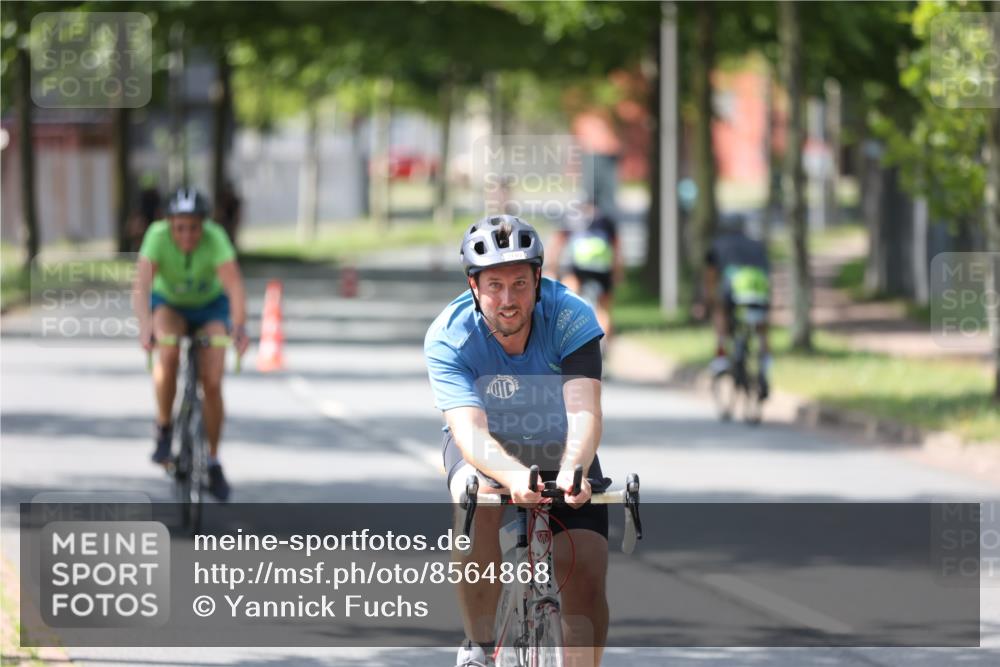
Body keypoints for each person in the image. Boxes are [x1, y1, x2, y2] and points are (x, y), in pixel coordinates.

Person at [425, 215, 610, 667]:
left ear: (539, 280)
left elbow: (584, 409)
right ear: (473, 286)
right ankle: (480, 646)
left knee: (586, 569)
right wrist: (509, 476)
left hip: (561, 442)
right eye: (494, 286)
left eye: (520, 284)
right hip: (486, 445)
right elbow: (469, 431)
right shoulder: (449, 336)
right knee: (479, 498)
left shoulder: (571, 317)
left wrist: (574, 468)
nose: (508, 300)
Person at [132, 187, 250, 501]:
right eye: (180, 227)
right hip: (169, 304)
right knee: (167, 353)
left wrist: (238, 327)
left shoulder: (215, 238)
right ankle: (164, 428)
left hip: (210, 307)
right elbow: (141, 286)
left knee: (212, 382)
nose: (187, 235)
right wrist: (146, 327)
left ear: (204, 225)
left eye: (194, 227)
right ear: (169, 224)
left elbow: (235, 286)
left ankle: (212, 460)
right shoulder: (157, 236)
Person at [703, 213, 772, 399]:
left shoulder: (718, 245)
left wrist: (708, 301)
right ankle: (765, 364)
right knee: (761, 325)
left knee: (721, 312)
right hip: (758, 288)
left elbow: (711, 277)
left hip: (733, 289)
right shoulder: (757, 245)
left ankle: (721, 355)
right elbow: (767, 272)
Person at [545, 199, 624, 352]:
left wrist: (551, 268)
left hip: (577, 268)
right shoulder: (606, 220)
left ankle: (564, 339)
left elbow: (557, 243)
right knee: (604, 310)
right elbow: (616, 248)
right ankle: (605, 347)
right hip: (602, 269)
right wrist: (617, 272)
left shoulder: (573, 219)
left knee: (567, 298)